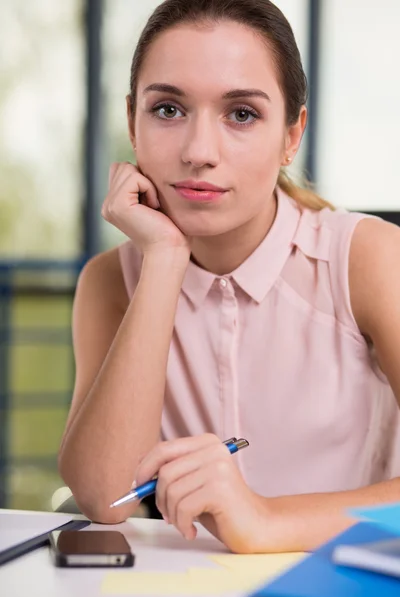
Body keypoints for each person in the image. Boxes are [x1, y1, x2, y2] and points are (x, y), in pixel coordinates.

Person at [58, 0, 400, 554]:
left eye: (241, 114)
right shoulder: (110, 281)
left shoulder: (368, 259)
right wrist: (165, 259)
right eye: (168, 110)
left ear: (292, 135)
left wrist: (265, 521)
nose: (198, 152)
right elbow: (104, 495)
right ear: (132, 123)